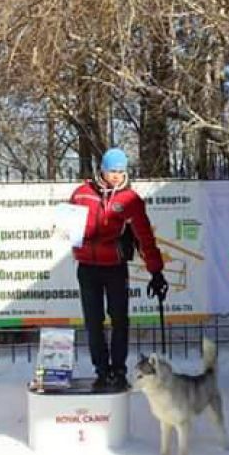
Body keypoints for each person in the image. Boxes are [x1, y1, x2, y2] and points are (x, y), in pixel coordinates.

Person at [70, 148, 168, 390]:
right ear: (102, 170)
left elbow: (144, 237)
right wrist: (64, 230)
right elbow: (69, 228)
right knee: (93, 322)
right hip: (87, 268)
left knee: (120, 320)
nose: (116, 175)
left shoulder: (130, 200)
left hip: (115, 267)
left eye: (121, 171)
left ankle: (119, 370)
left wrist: (156, 271)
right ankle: (102, 371)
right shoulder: (82, 194)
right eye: (112, 170)